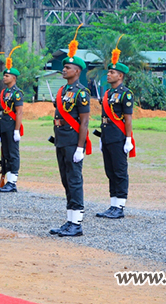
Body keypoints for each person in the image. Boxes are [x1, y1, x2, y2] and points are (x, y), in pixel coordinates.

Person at [50, 30, 91, 237]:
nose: (63, 69)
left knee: (74, 180)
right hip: (61, 140)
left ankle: (77, 223)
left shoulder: (81, 92)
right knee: (66, 180)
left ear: (77, 71)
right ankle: (69, 220)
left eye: (67, 67)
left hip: (73, 141)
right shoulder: (63, 91)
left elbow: (84, 122)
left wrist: (81, 147)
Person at [96, 40, 135, 219]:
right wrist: (101, 137)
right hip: (107, 136)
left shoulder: (125, 93)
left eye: (112, 72)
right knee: (109, 171)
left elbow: (127, 118)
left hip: (119, 136)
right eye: (109, 72)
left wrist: (128, 139)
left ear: (120, 76)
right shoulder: (108, 93)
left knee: (119, 171)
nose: (108, 74)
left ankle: (120, 206)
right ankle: (112, 204)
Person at [0, 49, 24, 193]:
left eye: (6, 76)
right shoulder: (4, 92)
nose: (4, 78)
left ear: (13, 77)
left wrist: (16, 130)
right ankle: (7, 179)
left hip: (12, 125)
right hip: (3, 125)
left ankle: (12, 182)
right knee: (5, 153)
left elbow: (19, 112)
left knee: (13, 153)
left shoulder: (17, 93)